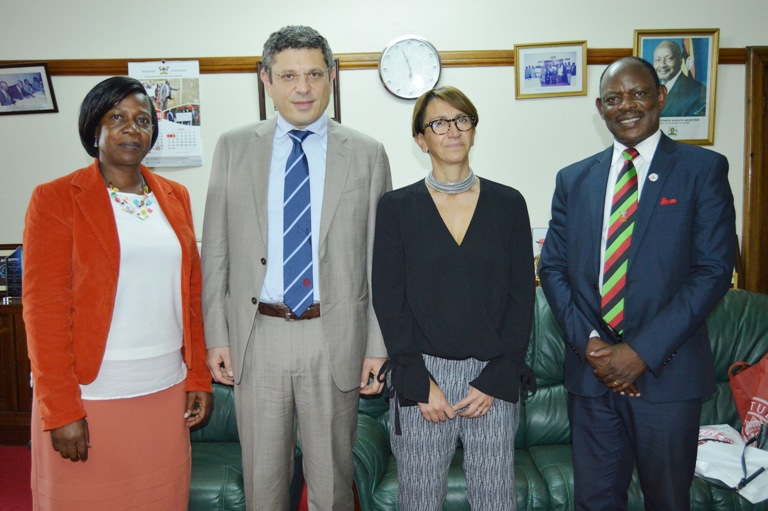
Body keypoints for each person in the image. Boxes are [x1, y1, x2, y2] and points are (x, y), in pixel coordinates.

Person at [202, 25, 392, 511]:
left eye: (313, 74)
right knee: (263, 484)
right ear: (266, 80)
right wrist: (217, 336)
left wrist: (376, 343)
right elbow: (218, 249)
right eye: (288, 75)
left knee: (332, 482)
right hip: (257, 335)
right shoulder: (233, 147)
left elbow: (381, 260)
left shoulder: (367, 153)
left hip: (334, 334)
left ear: (332, 76)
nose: (302, 87)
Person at [538, 57, 736, 511]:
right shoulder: (574, 179)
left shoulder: (701, 169)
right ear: (600, 108)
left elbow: (713, 271)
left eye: (639, 93)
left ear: (660, 96)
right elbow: (552, 269)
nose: (626, 105)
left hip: (666, 379)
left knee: (667, 501)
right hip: (592, 379)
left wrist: (639, 354)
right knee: (595, 502)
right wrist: (591, 345)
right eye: (613, 98)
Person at [23, 76, 213, 510]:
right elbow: (43, 311)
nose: (132, 128)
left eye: (143, 120)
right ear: (95, 129)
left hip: (163, 393)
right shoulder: (56, 198)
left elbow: (190, 295)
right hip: (91, 395)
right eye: (118, 118)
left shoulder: (174, 196)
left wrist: (197, 376)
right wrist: (61, 409)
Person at [372, 86, 536, 511]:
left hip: (492, 376)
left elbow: (522, 299)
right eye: (439, 123)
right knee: (420, 499)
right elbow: (389, 301)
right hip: (423, 375)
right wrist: (417, 379)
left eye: (462, 120)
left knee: (495, 498)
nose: (452, 130)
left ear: (474, 130)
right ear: (421, 140)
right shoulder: (396, 208)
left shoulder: (509, 204)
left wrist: (499, 375)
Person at [653, 40, 707, 117]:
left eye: (668, 59)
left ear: (680, 60)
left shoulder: (697, 91)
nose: (662, 65)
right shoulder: (652, 90)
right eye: (658, 60)